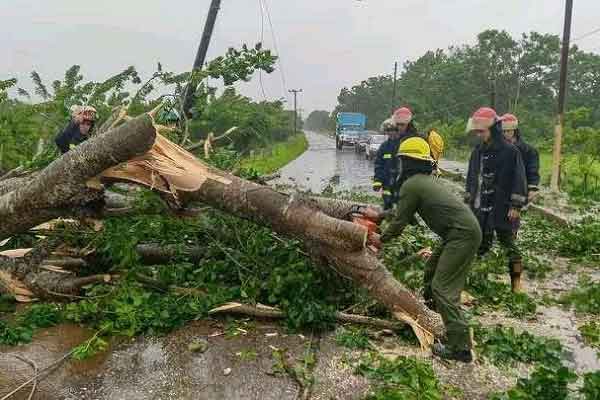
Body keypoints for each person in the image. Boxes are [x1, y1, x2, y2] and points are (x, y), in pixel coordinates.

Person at [368, 137, 482, 362]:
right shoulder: (421, 182)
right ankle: (434, 312)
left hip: (461, 236)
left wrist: (380, 239)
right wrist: (381, 215)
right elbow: (404, 212)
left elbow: (401, 223)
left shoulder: (413, 184)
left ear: (407, 161)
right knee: (431, 269)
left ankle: (460, 349)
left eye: (402, 161)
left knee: (443, 288)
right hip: (458, 233)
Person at [465, 107, 528, 293]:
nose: (479, 135)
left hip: (502, 205)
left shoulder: (510, 151)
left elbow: (519, 179)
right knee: (480, 244)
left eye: (481, 131)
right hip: (481, 206)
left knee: (508, 244)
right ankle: (479, 279)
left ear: (493, 129)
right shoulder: (478, 151)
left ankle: (516, 283)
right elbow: (471, 179)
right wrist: (468, 201)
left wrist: (516, 205)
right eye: (476, 131)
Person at [500, 113, 540, 208]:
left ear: (515, 131)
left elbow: (532, 170)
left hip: (519, 191)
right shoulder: (497, 149)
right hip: (500, 192)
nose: (505, 134)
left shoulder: (529, 151)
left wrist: (532, 189)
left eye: (508, 131)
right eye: (503, 131)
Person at [373, 118, 401, 209]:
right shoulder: (384, 146)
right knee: (387, 205)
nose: (390, 133)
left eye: (392, 130)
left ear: (397, 130)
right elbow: (378, 164)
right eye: (387, 131)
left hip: (400, 181)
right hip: (387, 183)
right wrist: (377, 180)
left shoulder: (403, 144)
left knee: (401, 208)